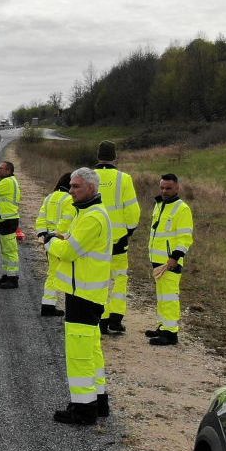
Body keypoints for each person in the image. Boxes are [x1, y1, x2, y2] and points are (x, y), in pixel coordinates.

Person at [45, 167, 113, 425]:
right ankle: (98, 401)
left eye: (76, 187)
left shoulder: (92, 217)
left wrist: (50, 240)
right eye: (71, 186)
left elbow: (70, 251)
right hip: (86, 291)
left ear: (92, 189)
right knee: (92, 350)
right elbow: (75, 242)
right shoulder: (85, 213)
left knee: (79, 354)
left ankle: (83, 409)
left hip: (84, 293)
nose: (70, 191)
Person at [94, 141, 139, 335]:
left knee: (99, 278)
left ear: (98, 156)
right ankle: (115, 318)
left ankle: (101, 319)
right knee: (119, 278)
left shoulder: (88, 176)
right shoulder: (124, 179)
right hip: (118, 239)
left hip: (94, 239)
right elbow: (132, 210)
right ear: (115, 157)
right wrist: (128, 231)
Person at [145, 173, 195, 346]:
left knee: (170, 297)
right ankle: (163, 326)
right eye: (162, 187)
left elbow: (185, 238)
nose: (164, 191)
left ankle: (171, 333)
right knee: (161, 296)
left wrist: (175, 257)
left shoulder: (182, 209)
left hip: (170, 262)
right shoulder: (159, 205)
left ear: (177, 187)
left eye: (168, 188)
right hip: (157, 260)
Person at [35, 173, 76, 316]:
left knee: (52, 273)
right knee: (65, 274)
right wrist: (58, 236)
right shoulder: (69, 199)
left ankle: (48, 304)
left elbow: (41, 218)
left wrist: (42, 235)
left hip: (48, 241)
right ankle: (52, 305)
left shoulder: (49, 197)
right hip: (60, 241)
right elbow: (66, 221)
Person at [0, 161, 22, 288]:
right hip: (4, 219)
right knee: (5, 250)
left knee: (10, 250)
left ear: (8, 171)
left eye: (1, 169)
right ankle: (7, 275)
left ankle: (13, 278)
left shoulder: (8, 181)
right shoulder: (6, 181)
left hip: (8, 219)